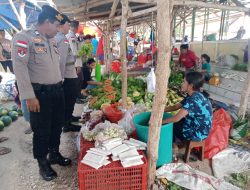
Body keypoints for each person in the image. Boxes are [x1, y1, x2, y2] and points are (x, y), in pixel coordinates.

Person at [12, 5, 71, 181]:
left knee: (56, 125)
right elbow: (20, 68)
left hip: (56, 91)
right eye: (56, 26)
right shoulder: (24, 38)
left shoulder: (50, 40)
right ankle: (42, 163)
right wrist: (28, 96)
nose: (58, 30)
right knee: (42, 130)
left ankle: (54, 153)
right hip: (40, 95)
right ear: (46, 22)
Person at [162, 72, 212, 160]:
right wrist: (160, 110)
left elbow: (176, 118)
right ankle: (181, 143)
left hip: (198, 133)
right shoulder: (194, 95)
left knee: (169, 124)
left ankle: (174, 147)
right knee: (173, 121)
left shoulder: (193, 100)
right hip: (199, 127)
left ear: (190, 86)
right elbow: (176, 106)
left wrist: (160, 122)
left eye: (184, 82)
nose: (182, 83)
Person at [55, 15, 80, 133]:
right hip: (68, 77)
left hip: (68, 75)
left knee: (69, 101)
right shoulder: (62, 39)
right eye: (67, 25)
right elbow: (61, 61)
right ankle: (67, 124)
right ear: (61, 25)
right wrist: (61, 79)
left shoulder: (59, 38)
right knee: (69, 101)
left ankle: (69, 118)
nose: (68, 27)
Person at [66, 20, 83, 100]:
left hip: (74, 63)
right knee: (77, 81)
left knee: (78, 81)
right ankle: (77, 97)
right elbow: (74, 52)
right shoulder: (71, 37)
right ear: (76, 27)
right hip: (75, 63)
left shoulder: (72, 36)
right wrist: (78, 65)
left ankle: (78, 96)